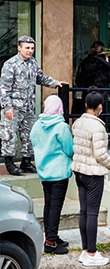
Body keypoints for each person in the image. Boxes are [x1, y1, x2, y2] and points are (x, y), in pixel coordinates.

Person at [0, 35, 67, 175]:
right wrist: (7, 107)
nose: (29, 51)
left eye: (31, 48)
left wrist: (55, 83)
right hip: (13, 108)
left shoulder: (33, 63)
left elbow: (40, 78)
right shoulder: (10, 64)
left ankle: (26, 162)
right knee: (9, 136)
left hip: (28, 108)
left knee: (30, 135)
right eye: (27, 48)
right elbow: (4, 88)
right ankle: (10, 164)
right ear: (19, 48)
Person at [72, 87, 110, 266]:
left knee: (84, 212)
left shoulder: (78, 123)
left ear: (85, 104)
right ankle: (91, 253)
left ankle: (85, 250)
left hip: (79, 172)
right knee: (92, 213)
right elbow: (100, 154)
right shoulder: (97, 126)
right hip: (93, 173)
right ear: (99, 106)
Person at [30, 95, 73, 255]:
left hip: (44, 171)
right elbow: (69, 149)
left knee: (48, 205)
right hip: (59, 173)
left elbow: (34, 141)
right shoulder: (61, 127)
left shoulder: (37, 125)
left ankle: (50, 236)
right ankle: (51, 243)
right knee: (56, 207)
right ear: (59, 108)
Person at [74, 41, 110, 114]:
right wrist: (109, 65)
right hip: (101, 97)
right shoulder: (105, 64)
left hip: (88, 96)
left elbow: (79, 81)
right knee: (102, 118)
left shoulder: (85, 62)